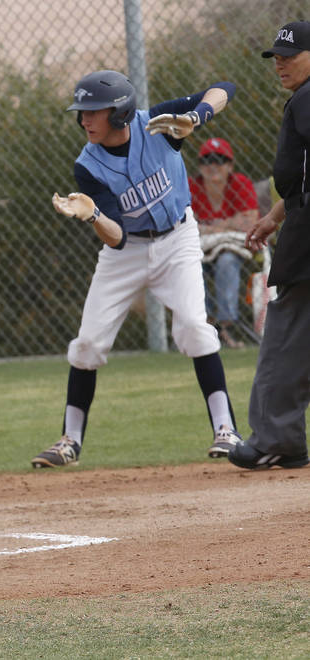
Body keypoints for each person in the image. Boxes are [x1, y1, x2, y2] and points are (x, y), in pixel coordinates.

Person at [31, 70, 241, 468]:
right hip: (125, 252)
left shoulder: (158, 124)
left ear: (121, 111)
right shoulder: (87, 166)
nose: (85, 120)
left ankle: (226, 430)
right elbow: (117, 239)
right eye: (82, 113)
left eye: (95, 111)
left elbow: (224, 89)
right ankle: (69, 441)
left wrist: (196, 117)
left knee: (196, 328)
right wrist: (93, 215)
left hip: (178, 238)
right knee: (88, 343)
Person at [229, 21, 310, 470]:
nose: (280, 62)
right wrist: (276, 215)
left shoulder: (308, 97)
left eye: (291, 54)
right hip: (298, 216)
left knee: (287, 335)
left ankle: (277, 437)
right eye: (276, 55)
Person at [188, 137, 259, 348]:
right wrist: (229, 223)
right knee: (191, 268)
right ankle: (207, 324)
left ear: (230, 165)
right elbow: (185, 225)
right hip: (201, 250)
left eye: (220, 160)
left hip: (231, 247)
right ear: (200, 166)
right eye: (207, 160)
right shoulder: (193, 186)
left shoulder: (239, 183)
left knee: (227, 261)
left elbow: (250, 222)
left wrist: (209, 226)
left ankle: (225, 325)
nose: (213, 166)